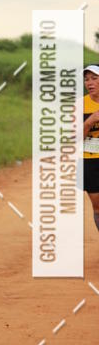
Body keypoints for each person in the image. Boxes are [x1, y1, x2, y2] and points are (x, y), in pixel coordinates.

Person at [82, 65, 99, 231]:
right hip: (90, 161)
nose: (90, 82)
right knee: (98, 207)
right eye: (87, 79)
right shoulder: (80, 105)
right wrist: (90, 120)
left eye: (94, 78)